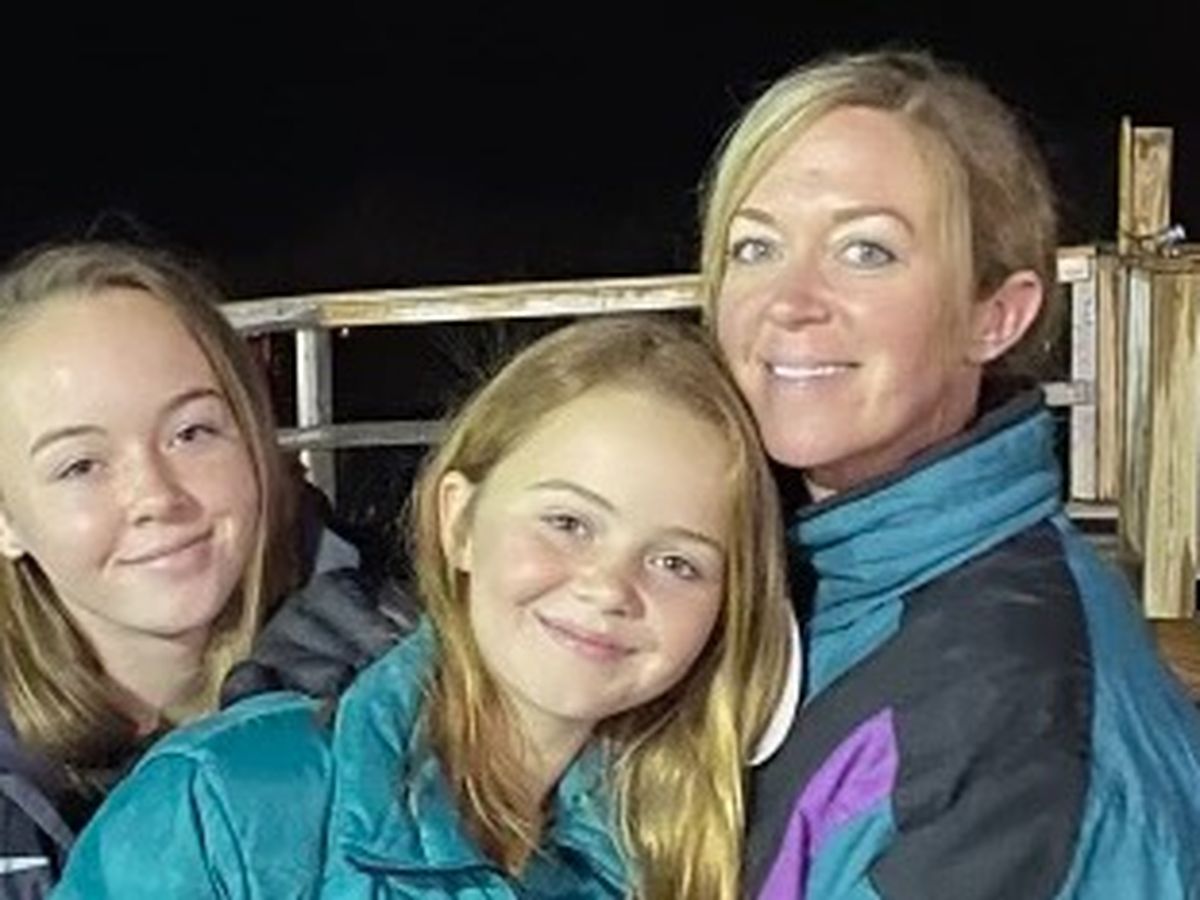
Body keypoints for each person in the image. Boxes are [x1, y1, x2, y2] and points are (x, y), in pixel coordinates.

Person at [54, 315, 794, 899]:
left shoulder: (682, 853)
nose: (609, 587)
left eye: (677, 563)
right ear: (459, 522)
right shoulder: (223, 805)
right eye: (568, 522)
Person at [700, 49, 1200, 898]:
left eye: (866, 251)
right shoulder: (808, 575)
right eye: (755, 246)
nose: (788, 301)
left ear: (994, 317)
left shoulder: (1012, 725)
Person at [0, 242, 407, 898]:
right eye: (81, 465)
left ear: (254, 437)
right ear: (6, 519)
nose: (157, 497)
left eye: (192, 433)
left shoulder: (401, 677)